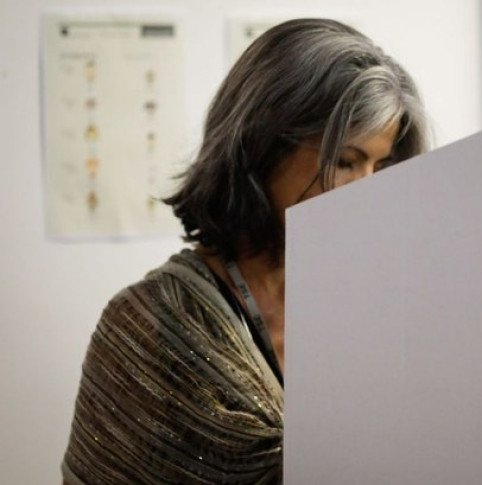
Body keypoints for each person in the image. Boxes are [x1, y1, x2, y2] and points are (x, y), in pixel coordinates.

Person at [62, 18, 428, 484]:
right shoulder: (151, 322)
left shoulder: (379, 305)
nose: (369, 191)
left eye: (382, 165)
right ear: (262, 147)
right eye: (345, 161)